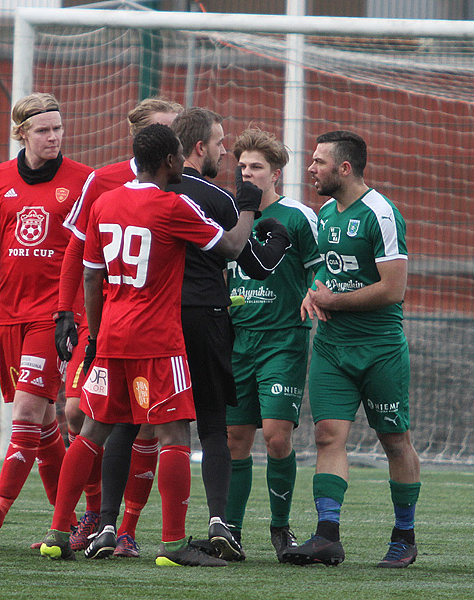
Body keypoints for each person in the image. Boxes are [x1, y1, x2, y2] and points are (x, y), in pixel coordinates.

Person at [39, 123, 262, 567]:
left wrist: (97, 335)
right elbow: (235, 246)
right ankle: (174, 546)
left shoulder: (105, 202)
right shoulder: (171, 205)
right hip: (158, 340)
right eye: (180, 155)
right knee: (175, 433)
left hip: (112, 333)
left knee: (93, 431)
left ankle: (58, 533)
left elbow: (89, 274)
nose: (185, 162)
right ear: (168, 162)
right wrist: (249, 205)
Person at [82, 111, 291, 561]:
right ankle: (217, 525)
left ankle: (103, 524)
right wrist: (268, 226)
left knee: (123, 423)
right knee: (211, 426)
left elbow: (88, 272)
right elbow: (248, 257)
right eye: (219, 143)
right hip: (198, 320)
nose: (223, 151)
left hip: (135, 323)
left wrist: (91, 334)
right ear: (196, 149)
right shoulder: (214, 196)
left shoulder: (127, 195)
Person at [0, 93, 93, 550]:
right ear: (21, 133)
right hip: (10, 315)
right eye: (44, 129)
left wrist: (74, 313)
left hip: (57, 316)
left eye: (59, 128)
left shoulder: (84, 180)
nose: (55, 137)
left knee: (25, 414)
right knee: (44, 423)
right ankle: (71, 524)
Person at [283, 130, 421, 568]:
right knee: (327, 436)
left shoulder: (382, 213)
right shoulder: (325, 213)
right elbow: (325, 271)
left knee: (394, 440)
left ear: (344, 168)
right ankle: (327, 536)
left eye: (319, 161)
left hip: (379, 348)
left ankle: (404, 537)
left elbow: (393, 290)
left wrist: (332, 301)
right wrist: (313, 291)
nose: (310, 168)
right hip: (331, 347)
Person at [54, 97, 182, 552]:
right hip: (104, 320)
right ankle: (92, 518)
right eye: (168, 131)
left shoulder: (181, 189)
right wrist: (66, 312)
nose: (176, 141)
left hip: (151, 323)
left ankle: (124, 528)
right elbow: (78, 249)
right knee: (77, 413)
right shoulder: (104, 181)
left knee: (146, 426)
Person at [224, 127, 322, 562]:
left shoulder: (299, 217)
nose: (247, 173)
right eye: (242, 166)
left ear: (275, 173)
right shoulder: (227, 214)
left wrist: (313, 291)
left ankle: (281, 529)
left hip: (283, 338)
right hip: (237, 340)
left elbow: (323, 269)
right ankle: (230, 532)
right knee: (234, 438)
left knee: (276, 437)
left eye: (256, 167)